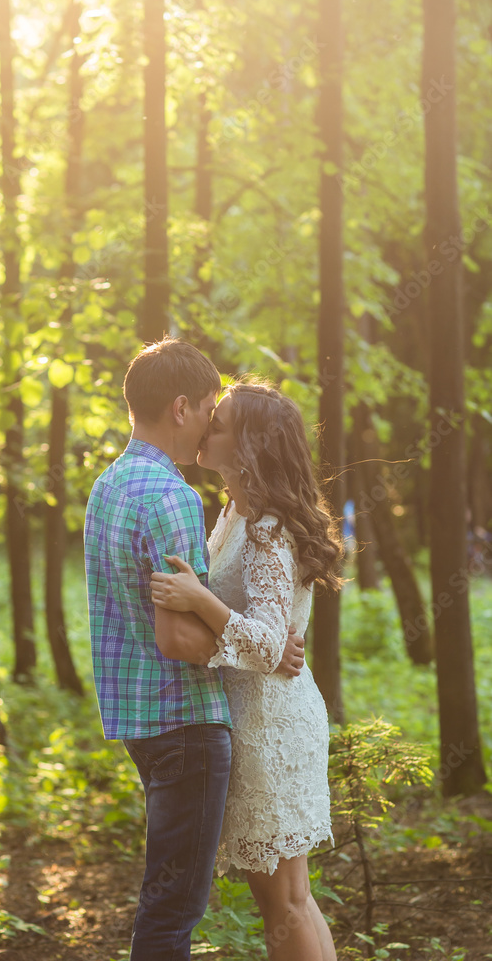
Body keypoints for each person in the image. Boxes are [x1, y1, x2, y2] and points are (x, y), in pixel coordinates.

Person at [83, 340, 305, 961]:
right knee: (174, 907)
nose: (212, 419)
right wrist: (266, 647)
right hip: (184, 719)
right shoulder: (172, 495)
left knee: (171, 898)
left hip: (140, 721)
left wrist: (256, 638)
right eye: (210, 406)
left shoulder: (110, 484)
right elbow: (178, 636)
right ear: (181, 407)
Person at [151, 380, 341, 961]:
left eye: (223, 422)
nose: (207, 428)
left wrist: (197, 599)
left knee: (285, 904)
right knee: (292, 899)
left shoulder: (266, 528)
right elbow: (264, 636)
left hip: (270, 725)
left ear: (252, 445)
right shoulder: (236, 512)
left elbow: (262, 642)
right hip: (260, 712)